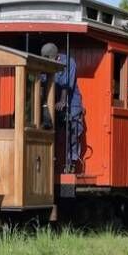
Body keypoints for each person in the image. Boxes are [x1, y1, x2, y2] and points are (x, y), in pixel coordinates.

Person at [41, 42, 84, 173]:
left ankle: (71, 162)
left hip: (71, 102)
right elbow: (42, 81)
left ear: (55, 56)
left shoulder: (68, 62)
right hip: (52, 102)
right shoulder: (45, 63)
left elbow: (67, 83)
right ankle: (49, 161)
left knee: (73, 130)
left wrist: (62, 101)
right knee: (47, 127)